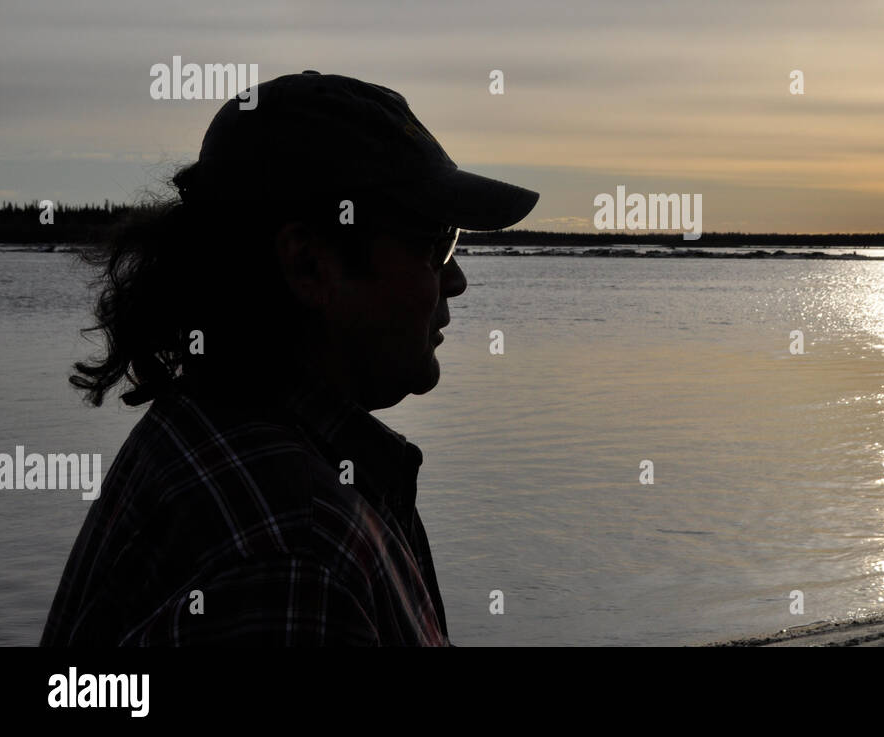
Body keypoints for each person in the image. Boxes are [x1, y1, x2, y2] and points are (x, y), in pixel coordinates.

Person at [40, 71, 538, 645]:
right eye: (434, 244)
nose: (455, 280)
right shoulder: (296, 560)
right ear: (309, 265)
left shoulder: (213, 429)